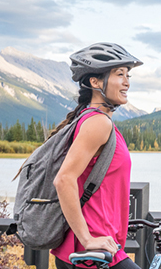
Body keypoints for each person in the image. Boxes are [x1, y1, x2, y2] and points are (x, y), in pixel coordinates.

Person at [50, 43, 142, 269]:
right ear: (95, 82)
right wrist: (88, 239)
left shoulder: (94, 120)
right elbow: (64, 179)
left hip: (97, 250)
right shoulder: (98, 123)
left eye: (128, 75)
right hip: (92, 255)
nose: (127, 81)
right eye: (120, 74)